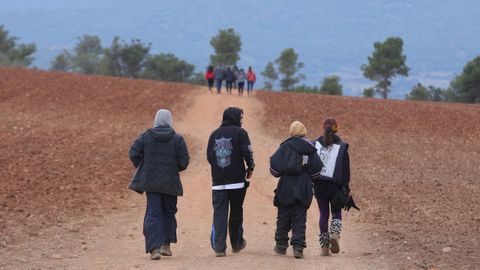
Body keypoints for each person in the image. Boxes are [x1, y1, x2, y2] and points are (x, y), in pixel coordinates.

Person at [128, 109, 190, 260]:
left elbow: (133, 153)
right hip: (170, 183)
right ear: (170, 121)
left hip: (151, 184)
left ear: (156, 120)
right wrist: (174, 168)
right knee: (168, 212)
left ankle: (154, 249)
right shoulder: (178, 139)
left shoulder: (145, 137)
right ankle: (166, 246)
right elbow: (184, 162)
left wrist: (143, 166)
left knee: (153, 213)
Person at [269, 121, 323, 259]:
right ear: (304, 131)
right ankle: (298, 248)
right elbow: (317, 170)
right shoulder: (310, 148)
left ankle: (281, 245)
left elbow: (274, 169)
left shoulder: (285, 146)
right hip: (303, 186)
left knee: (283, 215)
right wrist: (307, 175)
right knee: (300, 218)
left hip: (286, 185)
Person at [207, 107, 255, 257]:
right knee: (236, 212)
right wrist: (250, 167)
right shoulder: (241, 133)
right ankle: (237, 243)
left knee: (219, 213)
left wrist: (219, 170)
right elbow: (247, 151)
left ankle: (219, 248)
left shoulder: (214, 134)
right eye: (240, 118)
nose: (241, 121)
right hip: (237, 182)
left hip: (218, 182)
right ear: (235, 118)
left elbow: (209, 156)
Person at [312, 117, 351, 256]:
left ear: (323, 128)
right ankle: (334, 233)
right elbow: (346, 171)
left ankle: (324, 247)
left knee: (323, 214)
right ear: (337, 128)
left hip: (319, 185)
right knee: (336, 212)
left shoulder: (315, 144)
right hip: (335, 187)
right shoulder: (342, 146)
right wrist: (346, 189)